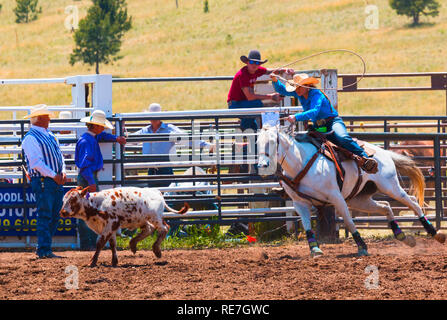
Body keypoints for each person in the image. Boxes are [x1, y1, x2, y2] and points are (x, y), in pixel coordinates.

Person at [271, 73, 378, 173]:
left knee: (342, 137)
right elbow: (282, 89)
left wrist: (296, 117)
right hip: (318, 126)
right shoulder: (300, 93)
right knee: (301, 142)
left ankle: (365, 158)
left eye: (299, 87)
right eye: (295, 87)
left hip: (332, 122)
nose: (297, 90)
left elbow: (314, 111)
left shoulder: (316, 94)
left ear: (307, 86)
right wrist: (274, 80)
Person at [75, 109, 127, 250]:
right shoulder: (88, 141)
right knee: (88, 211)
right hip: (88, 178)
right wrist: (91, 182)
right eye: (102, 125)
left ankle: (89, 243)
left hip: (87, 177)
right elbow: (85, 165)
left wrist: (116, 138)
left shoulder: (89, 138)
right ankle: (88, 243)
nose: (103, 128)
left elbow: (102, 136)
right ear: (96, 126)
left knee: (88, 210)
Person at [21, 104, 67, 259]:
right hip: (43, 180)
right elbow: (35, 163)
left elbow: (59, 156)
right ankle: (44, 249)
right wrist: (55, 175)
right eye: (47, 116)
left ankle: (44, 247)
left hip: (52, 180)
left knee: (54, 214)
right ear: (40, 119)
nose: (49, 119)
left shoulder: (50, 135)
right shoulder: (31, 138)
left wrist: (62, 172)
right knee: (46, 214)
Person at [131, 103, 214, 188]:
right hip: (151, 169)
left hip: (165, 168)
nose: (153, 119)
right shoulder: (145, 130)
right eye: (152, 116)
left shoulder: (169, 129)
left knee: (166, 193)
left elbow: (186, 139)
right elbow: (132, 139)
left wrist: (206, 145)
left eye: (155, 116)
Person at [227, 49, 294, 131]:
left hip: (244, 104)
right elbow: (250, 97)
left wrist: (285, 70)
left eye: (257, 63)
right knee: (257, 104)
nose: (254, 65)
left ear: (259, 64)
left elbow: (270, 71)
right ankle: (243, 130)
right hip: (235, 105)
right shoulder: (242, 75)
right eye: (252, 62)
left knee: (253, 125)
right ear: (247, 62)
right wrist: (271, 97)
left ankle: (248, 137)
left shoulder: (257, 71)